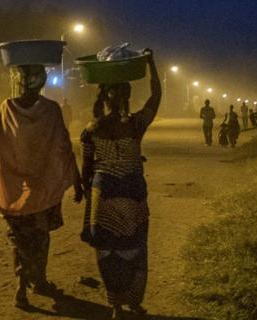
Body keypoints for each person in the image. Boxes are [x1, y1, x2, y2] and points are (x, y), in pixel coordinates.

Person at [0, 64, 83, 309]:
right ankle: (41, 281)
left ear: (20, 82)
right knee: (40, 238)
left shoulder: (6, 108)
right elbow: (63, 147)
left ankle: (21, 287)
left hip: (14, 187)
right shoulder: (52, 110)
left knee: (18, 240)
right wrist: (76, 181)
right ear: (42, 83)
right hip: (42, 189)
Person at [80, 48, 161, 319]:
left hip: (102, 197)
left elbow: (86, 169)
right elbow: (156, 96)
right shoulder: (137, 124)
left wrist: (82, 191)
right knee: (135, 249)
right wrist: (151, 63)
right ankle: (134, 303)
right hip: (132, 194)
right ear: (128, 95)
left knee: (107, 252)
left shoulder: (91, 129)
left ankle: (114, 305)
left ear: (103, 95)